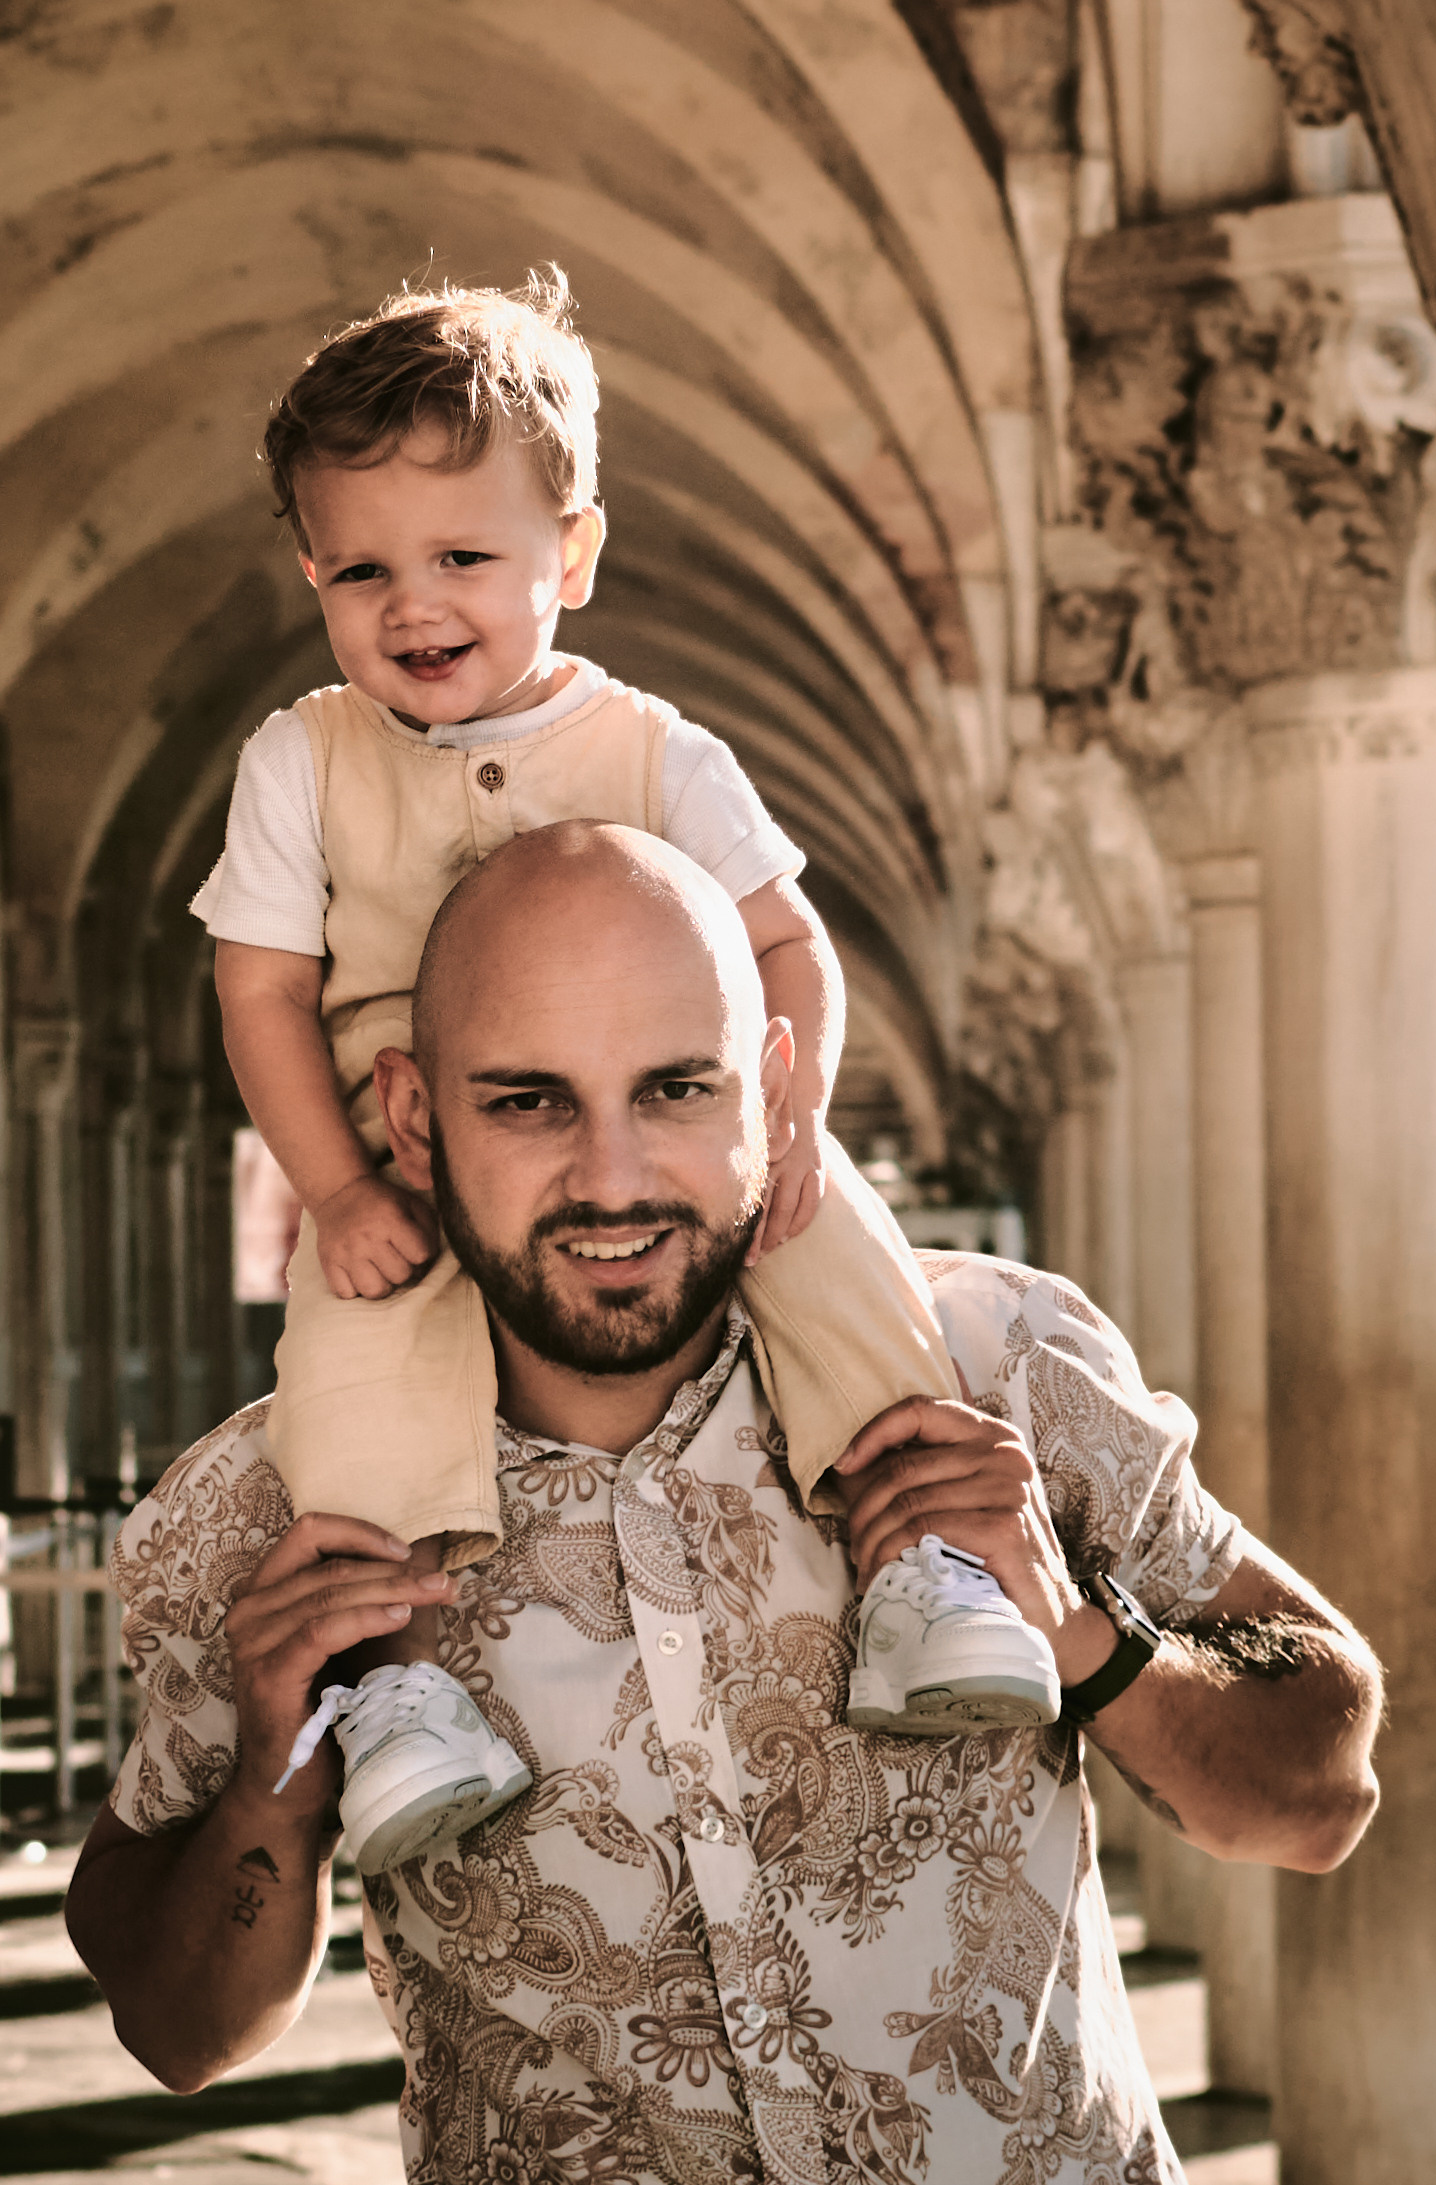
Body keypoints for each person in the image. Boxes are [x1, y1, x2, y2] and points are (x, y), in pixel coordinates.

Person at [68, 825, 1382, 2185]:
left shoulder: (998, 1371)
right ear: (411, 1115)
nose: (614, 1176)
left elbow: (1318, 1796)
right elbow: (177, 2035)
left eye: (676, 1090)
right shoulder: (262, 1515)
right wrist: (267, 1799)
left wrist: (1073, 1625)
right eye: (527, 1100)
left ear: (770, 1081)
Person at [195, 271, 1057, 1873]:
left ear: (572, 555)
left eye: (464, 556)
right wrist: (332, 1186)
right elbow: (259, 990)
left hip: (665, 1124)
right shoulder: (298, 760)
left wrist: (791, 1115)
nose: (413, 602)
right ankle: (395, 1689)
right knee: (357, 1377)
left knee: (839, 1270)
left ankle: (927, 1575)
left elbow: (791, 952)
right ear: (309, 571)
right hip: (402, 1156)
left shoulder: (660, 750)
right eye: (360, 568)